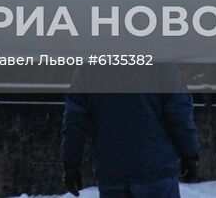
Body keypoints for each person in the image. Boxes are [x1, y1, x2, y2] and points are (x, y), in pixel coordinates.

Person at [61, 63, 201, 198]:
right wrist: (190, 155)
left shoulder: (90, 67)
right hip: (155, 166)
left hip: (111, 169)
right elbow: (179, 114)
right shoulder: (160, 62)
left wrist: (71, 165)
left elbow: (74, 120)